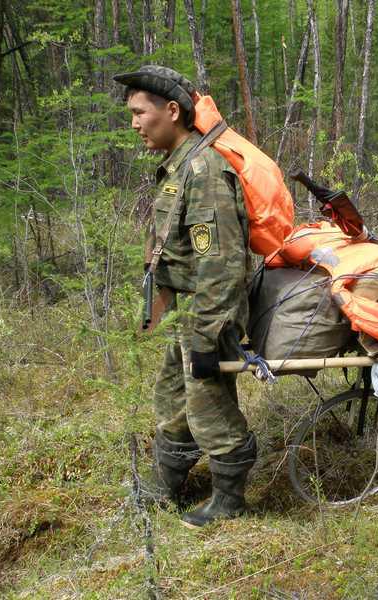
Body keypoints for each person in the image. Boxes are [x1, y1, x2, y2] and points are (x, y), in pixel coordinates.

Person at [113, 65, 255, 529]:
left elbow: (222, 263)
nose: (135, 124)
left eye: (140, 113)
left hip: (207, 312)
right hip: (185, 311)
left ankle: (230, 500)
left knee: (208, 404)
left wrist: (208, 334)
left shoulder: (205, 170)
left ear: (172, 111)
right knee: (172, 396)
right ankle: (165, 485)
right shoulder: (180, 165)